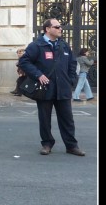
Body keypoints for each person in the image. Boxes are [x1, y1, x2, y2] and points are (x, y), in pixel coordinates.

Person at [18, 18, 84, 156]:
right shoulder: (37, 45)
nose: (61, 29)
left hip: (63, 88)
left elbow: (72, 64)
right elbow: (24, 61)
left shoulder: (64, 45)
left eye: (61, 27)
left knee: (67, 119)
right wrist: (38, 75)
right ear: (48, 29)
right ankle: (47, 144)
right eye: (57, 27)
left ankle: (71, 146)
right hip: (45, 89)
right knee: (44, 118)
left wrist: (71, 80)